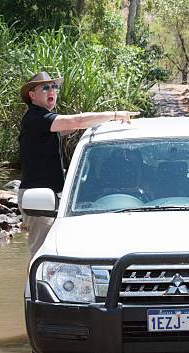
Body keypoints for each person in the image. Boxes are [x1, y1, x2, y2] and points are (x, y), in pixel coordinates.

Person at [18, 71, 140, 258]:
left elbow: (75, 125)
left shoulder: (45, 122)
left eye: (54, 87)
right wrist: (115, 115)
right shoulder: (37, 118)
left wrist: (103, 124)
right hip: (39, 200)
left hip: (57, 198)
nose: (52, 90)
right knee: (41, 257)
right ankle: (34, 287)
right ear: (32, 95)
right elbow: (77, 121)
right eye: (45, 87)